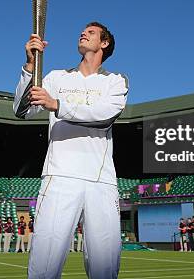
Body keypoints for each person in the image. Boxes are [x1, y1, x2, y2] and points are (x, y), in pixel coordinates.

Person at [13, 22, 127, 279]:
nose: (83, 33)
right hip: (60, 177)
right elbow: (22, 110)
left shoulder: (116, 81)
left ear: (104, 43)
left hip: (101, 181)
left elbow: (104, 116)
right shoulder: (55, 78)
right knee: (45, 262)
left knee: (105, 266)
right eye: (83, 30)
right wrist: (30, 67)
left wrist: (57, 104)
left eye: (92, 32)